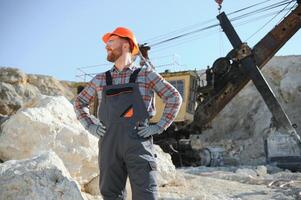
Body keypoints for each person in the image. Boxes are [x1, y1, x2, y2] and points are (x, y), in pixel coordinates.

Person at [73, 27, 182, 200]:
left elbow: (174, 97)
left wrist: (159, 126)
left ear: (126, 44)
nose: (106, 47)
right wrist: (91, 126)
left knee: (146, 195)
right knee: (110, 195)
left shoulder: (146, 75)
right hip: (109, 143)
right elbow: (79, 102)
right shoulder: (101, 79)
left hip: (138, 142)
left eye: (111, 41)